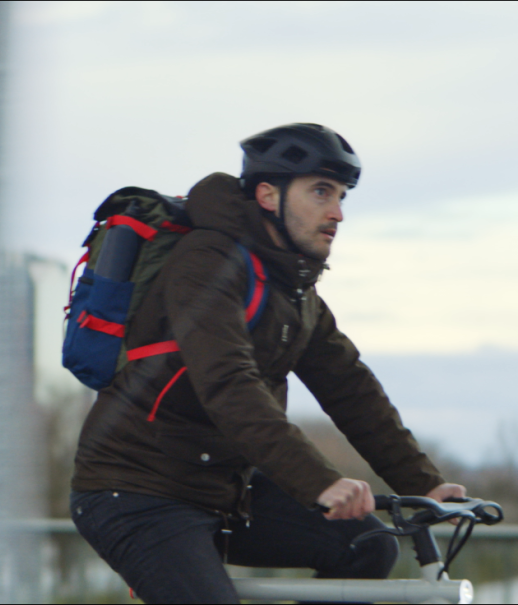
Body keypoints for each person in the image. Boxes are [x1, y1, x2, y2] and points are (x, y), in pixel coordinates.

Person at [69, 123, 466, 604]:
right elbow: (229, 386)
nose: (336, 212)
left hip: (227, 490)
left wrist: (425, 484)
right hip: (137, 492)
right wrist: (318, 481)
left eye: (341, 196)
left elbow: (351, 389)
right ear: (266, 194)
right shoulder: (207, 263)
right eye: (321, 192)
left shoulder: (293, 289)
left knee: (367, 546)